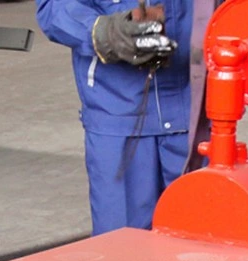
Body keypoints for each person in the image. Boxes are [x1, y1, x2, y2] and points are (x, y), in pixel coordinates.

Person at [36, 0, 201, 236]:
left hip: (195, 112)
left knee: (202, 249)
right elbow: (54, 8)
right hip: (117, 112)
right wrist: (104, 32)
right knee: (122, 253)